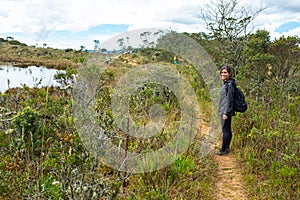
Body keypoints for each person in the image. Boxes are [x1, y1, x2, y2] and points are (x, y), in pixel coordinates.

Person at [218, 65, 236, 155]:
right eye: (222, 72)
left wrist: (226, 113)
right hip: (224, 110)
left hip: (225, 111)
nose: (223, 74)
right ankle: (226, 148)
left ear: (229, 74)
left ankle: (224, 150)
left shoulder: (229, 85)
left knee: (226, 130)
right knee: (227, 130)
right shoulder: (227, 83)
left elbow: (229, 99)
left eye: (225, 72)